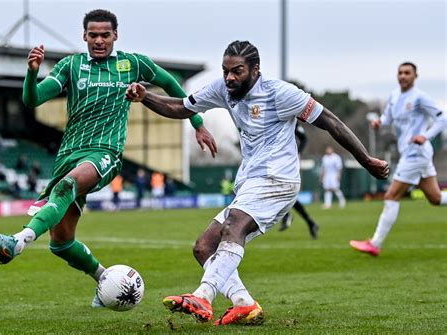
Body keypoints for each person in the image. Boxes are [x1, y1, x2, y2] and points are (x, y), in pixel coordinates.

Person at [126, 40, 389, 325]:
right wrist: (146, 97)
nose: (229, 77)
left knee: (234, 224)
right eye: (226, 70)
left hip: (279, 179)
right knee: (204, 247)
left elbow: (330, 121)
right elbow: (181, 108)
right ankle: (244, 303)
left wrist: (366, 160)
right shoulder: (223, 89)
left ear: (255, 70)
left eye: (237, 71)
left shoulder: (280, 93)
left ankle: (203, 294)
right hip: (251, 181)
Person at [0, 9, 217, 307]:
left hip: (105, 153)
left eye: (105, 35)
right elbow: (32, 99)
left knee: (67, 185)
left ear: (115, 36)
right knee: (61, 243)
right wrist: (31, 73)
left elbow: (172, 84)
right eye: (93, 35)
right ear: (84, 36)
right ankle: (105, 280)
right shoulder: (72, 66)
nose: (99, 40)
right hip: (68, 154)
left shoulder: (132, 64)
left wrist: (198, 124)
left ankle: (17, 242)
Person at [350, 62, 447, 257]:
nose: (403, 76)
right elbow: (388, 117)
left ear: (415, 76)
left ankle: (375, 243)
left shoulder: (419, 98)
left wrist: (425, 136)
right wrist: (380, 122)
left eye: (407, 73)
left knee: (391, 195)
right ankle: (374, 243)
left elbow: (442, 118)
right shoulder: (395, 96)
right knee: (435, 198)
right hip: (412, 154)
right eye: (400, 73)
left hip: (415, 153)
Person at [279, 122, 319, 239]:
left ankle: (287, 216)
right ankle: (310, 223)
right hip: (275, 161)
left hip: (288, 163)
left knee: (284, 191)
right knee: (286, 194)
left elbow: (304, 138)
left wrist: (297, 153)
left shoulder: (291, 120)